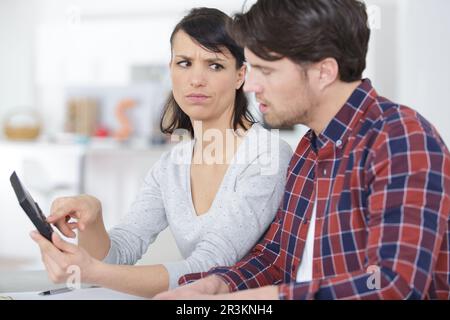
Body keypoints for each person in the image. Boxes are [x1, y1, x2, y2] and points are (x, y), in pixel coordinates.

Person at [155, 0, 450, 300]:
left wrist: (253, 301)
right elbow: (276, 258)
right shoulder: (309, 150)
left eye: (266, 71)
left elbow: (391, 285)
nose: (249, 85)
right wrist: (215, 286)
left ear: (324, 72)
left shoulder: (399, 139)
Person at [30, 7, 292, 298]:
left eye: (215, 65)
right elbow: (120, 253)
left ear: (240, 75)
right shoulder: (172, 165)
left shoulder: (266, 155)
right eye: (184, 63)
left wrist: (89, 271)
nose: (196, 79)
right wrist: (93, 218)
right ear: (170, 70)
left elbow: (209, 268)